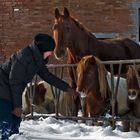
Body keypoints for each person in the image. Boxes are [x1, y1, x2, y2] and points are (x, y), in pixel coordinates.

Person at [0, 33, 79, 140]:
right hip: (3, 87)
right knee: (6, 121)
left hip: (12, 89)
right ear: (43, 49)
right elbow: (15, 81)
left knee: (15, 119)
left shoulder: (37, 60)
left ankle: (14, 137)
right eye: (50, 51)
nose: (51, 54)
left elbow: (48, 76)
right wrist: (17, 106)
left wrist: (67, 88)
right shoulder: (24, 56)